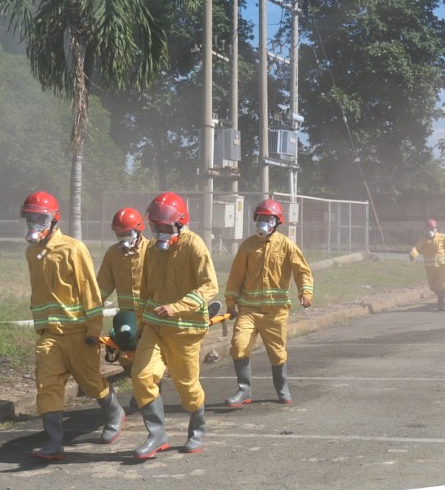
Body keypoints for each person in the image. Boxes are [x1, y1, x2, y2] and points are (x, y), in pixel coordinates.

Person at [20, 191, 125, 461]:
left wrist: (93, 330)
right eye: (31, 218)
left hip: (79, 334)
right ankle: (54, 442)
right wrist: (42, 328)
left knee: (90, 383)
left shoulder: (73, 249)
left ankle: (115, 413)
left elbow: (89, 291)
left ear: (54, 219)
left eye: (40, 218)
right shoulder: (32, 252)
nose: (35, 224)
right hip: (49, 336)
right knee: (47, 385)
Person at [129, 192, 218, 459]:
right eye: (155, 226)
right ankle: (157, 435)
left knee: (187, 387)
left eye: (164, 227)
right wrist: (141, 324)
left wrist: (176, 307)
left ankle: (197, 428)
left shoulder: (194, 246)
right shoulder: (152, 250)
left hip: (185, 330)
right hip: (155, 327)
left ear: (180, 223)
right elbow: (145, 289)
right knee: (142, 377)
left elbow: (209, 285)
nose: (159, 232)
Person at [223, 199, 313, 407]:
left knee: (277, 352)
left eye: (267, 219)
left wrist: (305, 292)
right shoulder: (248, 245)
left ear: (276, 222)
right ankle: (244, 390)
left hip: (275, 312)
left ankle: (282, 388)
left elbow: (302, 271)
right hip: (248, 310)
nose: (262, 223)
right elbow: (236, 276)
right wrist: (230, 302)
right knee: (238, 346)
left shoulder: (286, 245)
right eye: (260, 219)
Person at [96, 208, 148, 374]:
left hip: (149, 312)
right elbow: (102, 287)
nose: (123, 238)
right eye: (119, 234)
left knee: (149, 354)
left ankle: (149, 394)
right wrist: (90, 311)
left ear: (138, 230)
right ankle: (117, 336)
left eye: (127, 232)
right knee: (128, 349)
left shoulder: (152, 251)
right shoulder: (113, 254)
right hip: (127, 314)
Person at [409, 218, 445, 311]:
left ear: (436, 228)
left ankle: (441, 301)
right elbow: (417, 248)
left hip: (440, 266)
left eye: (432, 228)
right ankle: (441, 293)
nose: (430, 231)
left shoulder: (443, 237)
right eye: (428, 228)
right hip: (429, 267)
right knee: (432, 286)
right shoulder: (423, 240)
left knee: (440, 283)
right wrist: (413, 254)